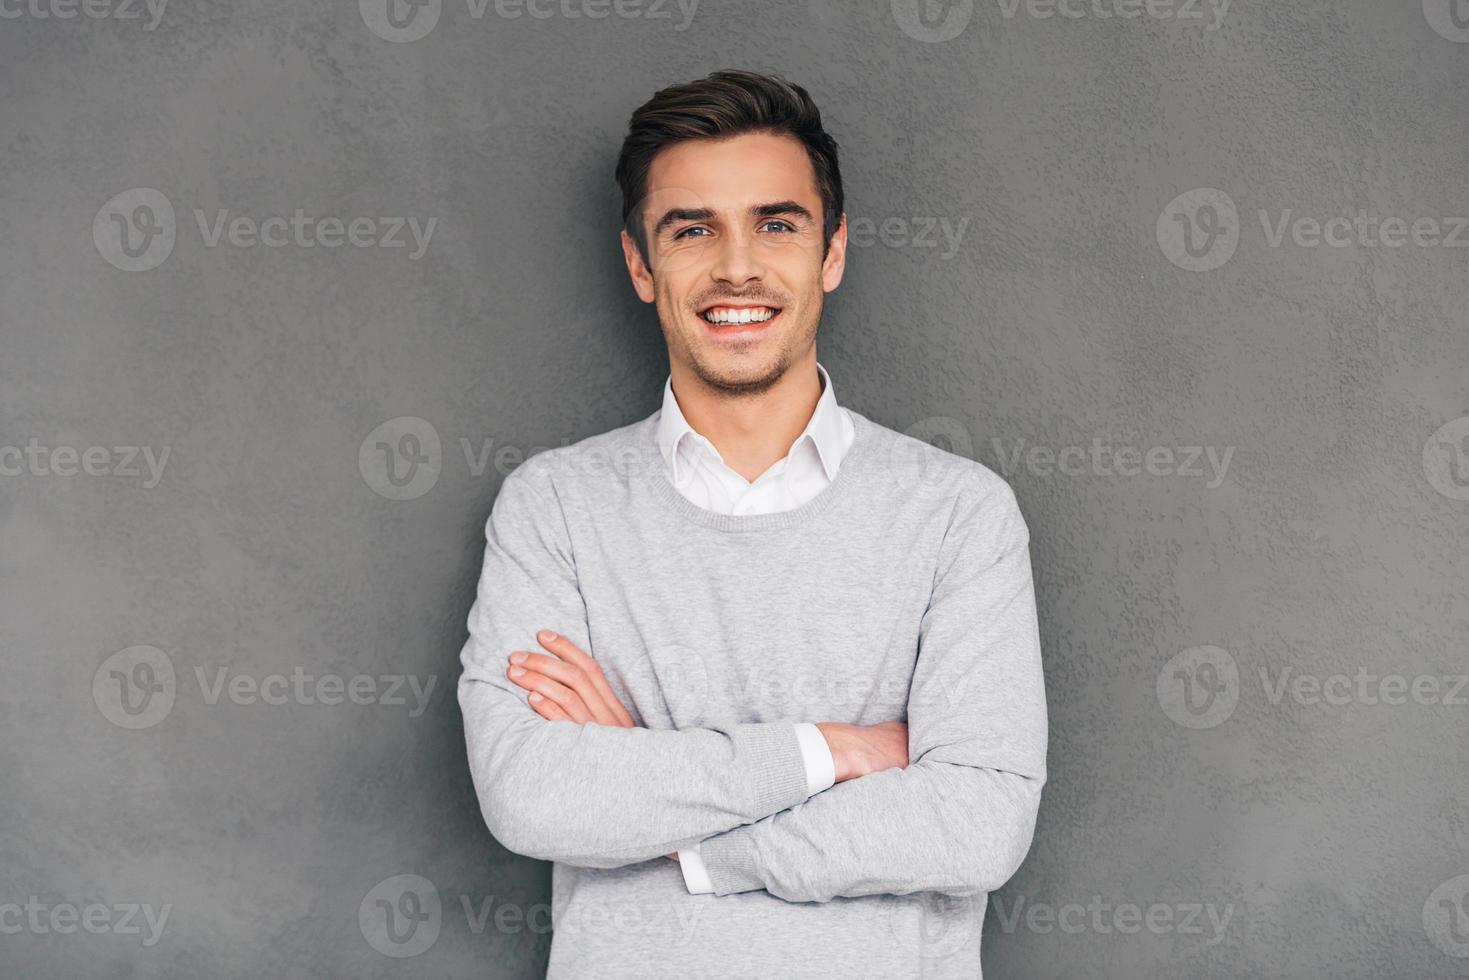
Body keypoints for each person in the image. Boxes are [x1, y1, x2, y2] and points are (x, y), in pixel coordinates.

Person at [457, 68, 1047, 979]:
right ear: (640, 266)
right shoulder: (555, 508)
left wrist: (670, 822)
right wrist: (833, 753)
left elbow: (976, 825)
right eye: (692, 230)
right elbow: (534, 799)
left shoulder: (957, 515)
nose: (738, 266)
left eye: (777, 224)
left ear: (833, 252)